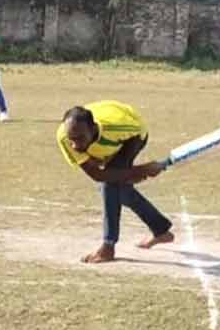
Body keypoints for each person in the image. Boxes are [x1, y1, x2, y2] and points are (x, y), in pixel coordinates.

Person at [57, 101, 174, 263]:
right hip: (110, 133)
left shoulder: (121, 128)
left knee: (110, 186)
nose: (75, 145)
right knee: (120, 189)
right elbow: (96, 174)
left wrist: (135, 170)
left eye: (80, 138)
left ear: (93, 129)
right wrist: (140, 171)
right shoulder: (65, 137)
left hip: (134, 134)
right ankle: (160, 230)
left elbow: (107, 174)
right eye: (72, 139)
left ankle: (108, 246)